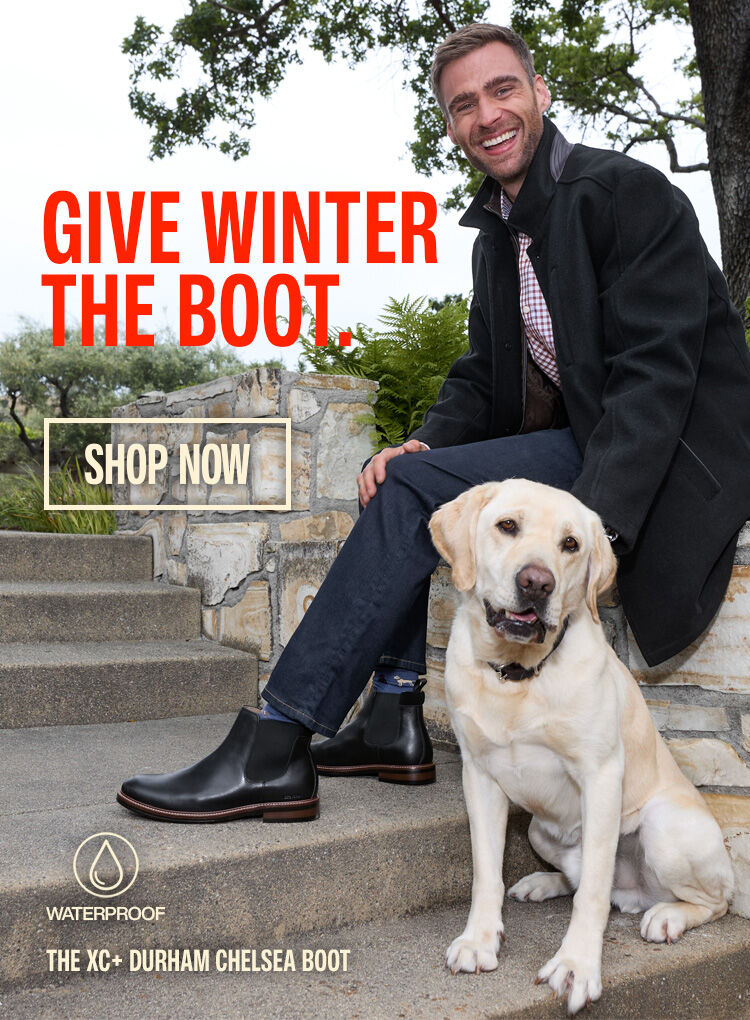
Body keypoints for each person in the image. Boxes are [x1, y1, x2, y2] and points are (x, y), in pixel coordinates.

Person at [117, 23, 750, 824]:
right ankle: (392, 711)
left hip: (671, 456)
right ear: (451, 127)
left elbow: (659, 373)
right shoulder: (496, 238)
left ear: (540, 93)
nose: (487, 115)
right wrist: (424, 443)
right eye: (464, 105)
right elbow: (485, 373)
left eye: (502, 90)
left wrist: (599, 533)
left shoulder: (624, 194)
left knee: (414, 488)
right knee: (400, 477)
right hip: (592, 437)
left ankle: (277, 744)